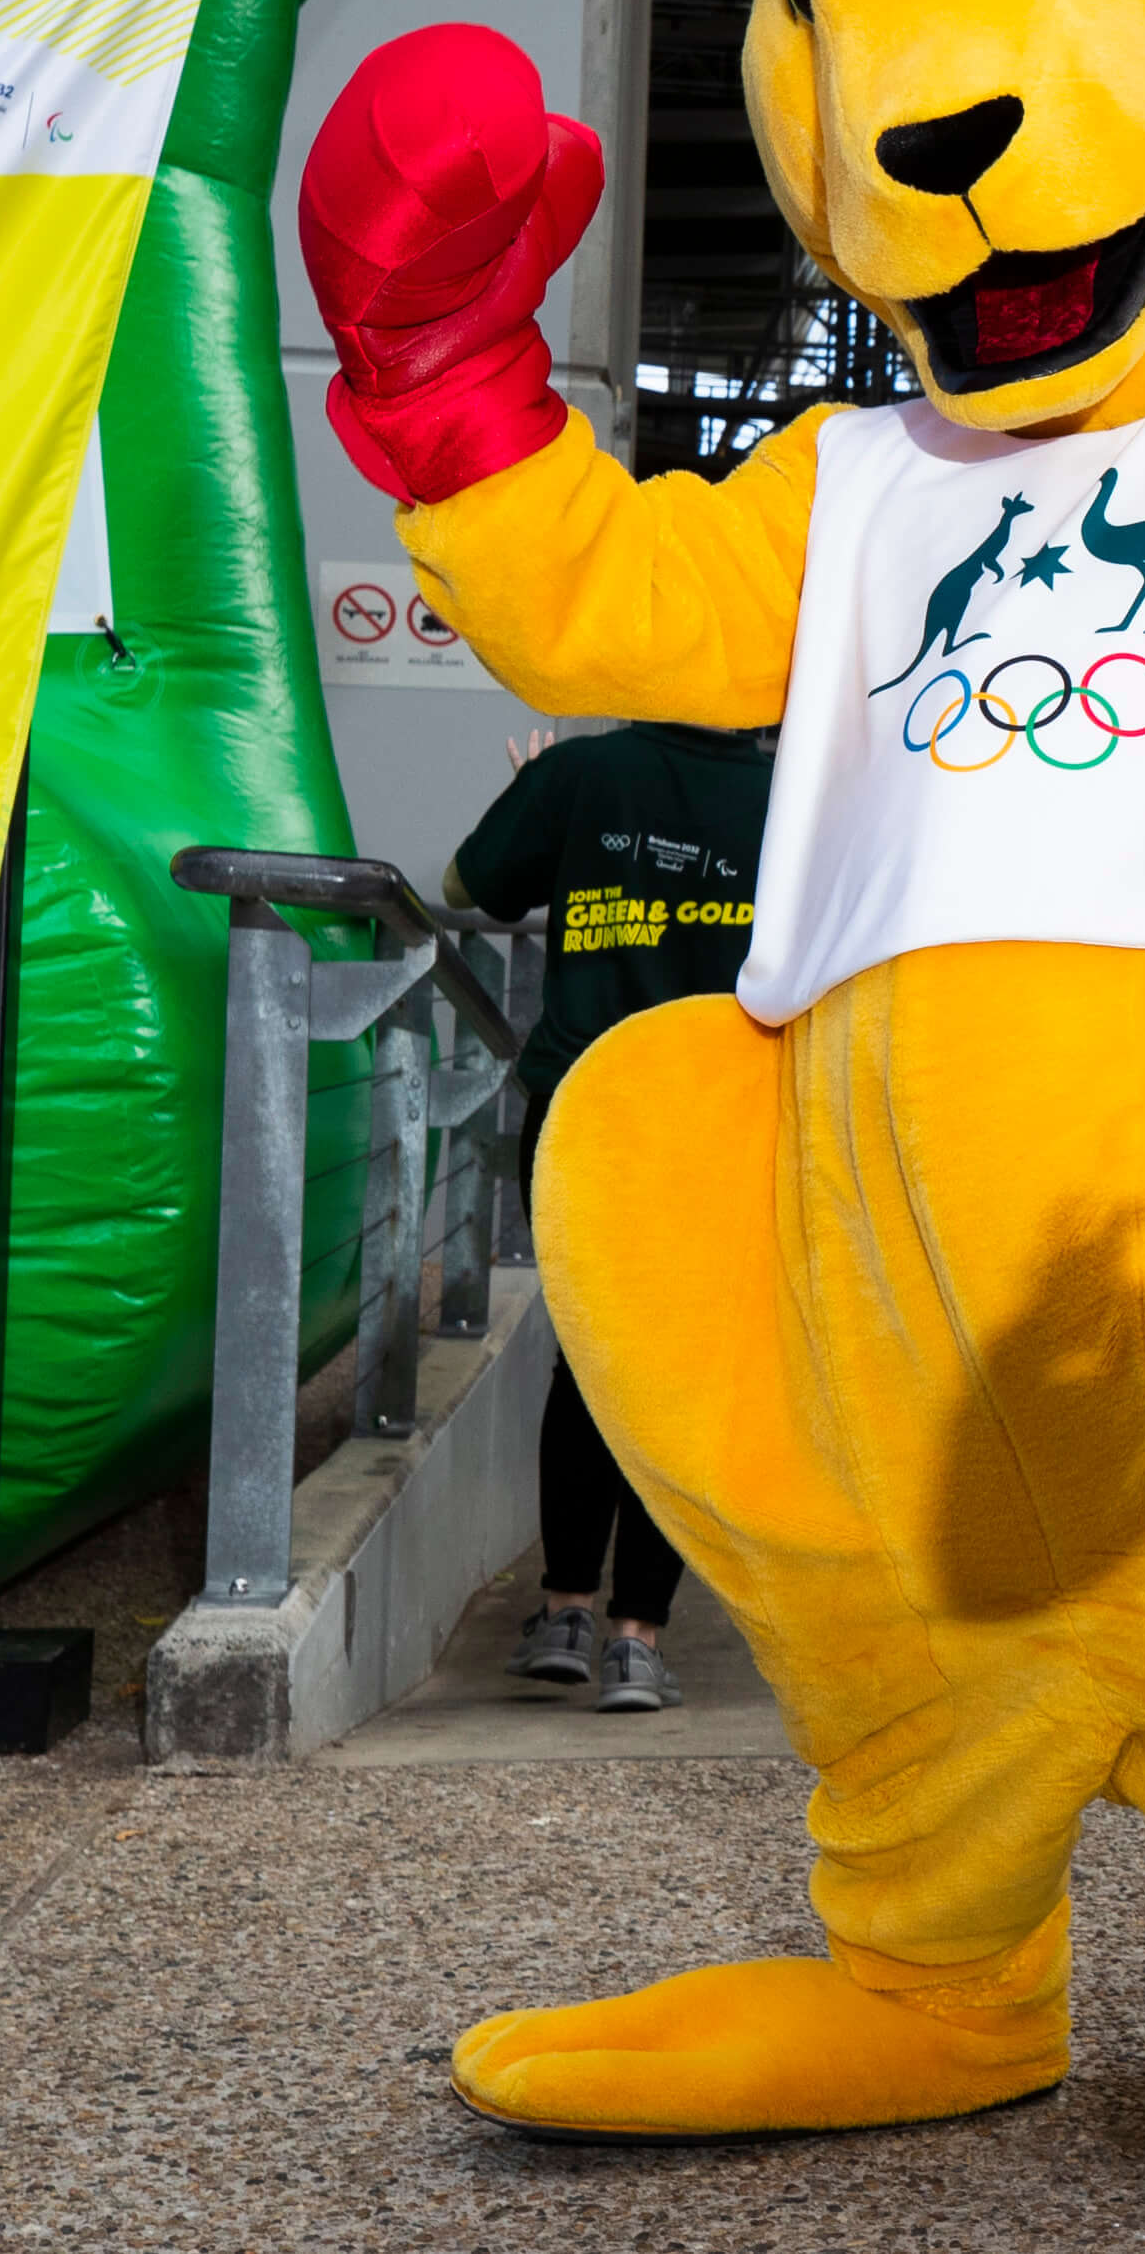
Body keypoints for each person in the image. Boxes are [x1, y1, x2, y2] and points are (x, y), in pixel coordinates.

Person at [448, 715, 774, 1715]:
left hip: (584, 1100)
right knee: (674, 1369)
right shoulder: (800, 795)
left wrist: (539, 790)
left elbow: (471, 888)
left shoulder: (585, 772)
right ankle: (639, 1636)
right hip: (717, 1106)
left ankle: (564, 1611)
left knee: (585, 1354)